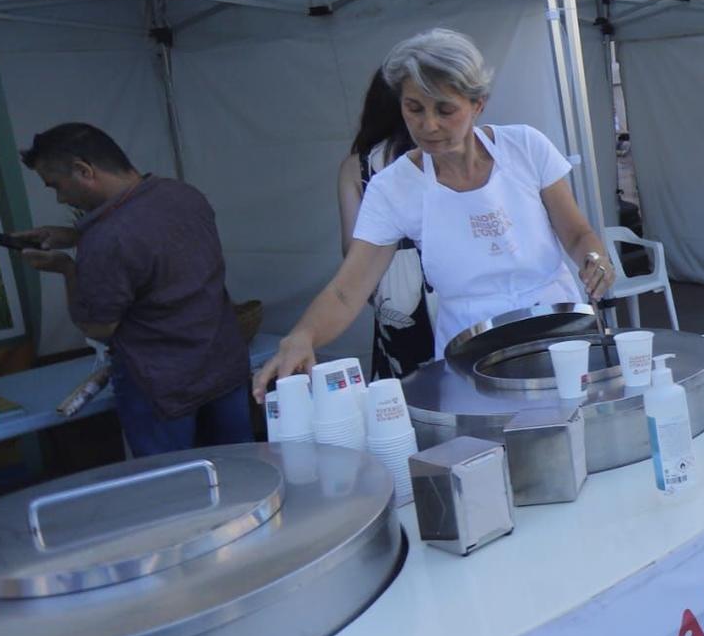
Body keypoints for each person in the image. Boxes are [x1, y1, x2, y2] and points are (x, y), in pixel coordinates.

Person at [252, 29, 614, 394]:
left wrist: (594, 258)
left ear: (478, 104)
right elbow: (348, 290)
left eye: (445, 109)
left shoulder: (525, 147)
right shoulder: (393, 187)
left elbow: (576, 233)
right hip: (471, 346)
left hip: (558, 325)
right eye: (414, 108)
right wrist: (303, 335)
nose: (428, 125)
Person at [16, 124, 251, 456]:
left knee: (170, 490)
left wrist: (67, 269)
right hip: (223, 364)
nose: (60, 197)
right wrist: (75, 236)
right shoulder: (182, 194)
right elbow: (150, 246)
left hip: (163, 388)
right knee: (243, 474)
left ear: (84, 171)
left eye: (56, 186)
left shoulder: (106, 240)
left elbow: (97, 326)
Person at [339, 72, 436, 381]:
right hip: (444, 266)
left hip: (390, 278)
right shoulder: (438, 153)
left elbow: (352, 247)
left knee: (406, 384)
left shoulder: (357, 166)